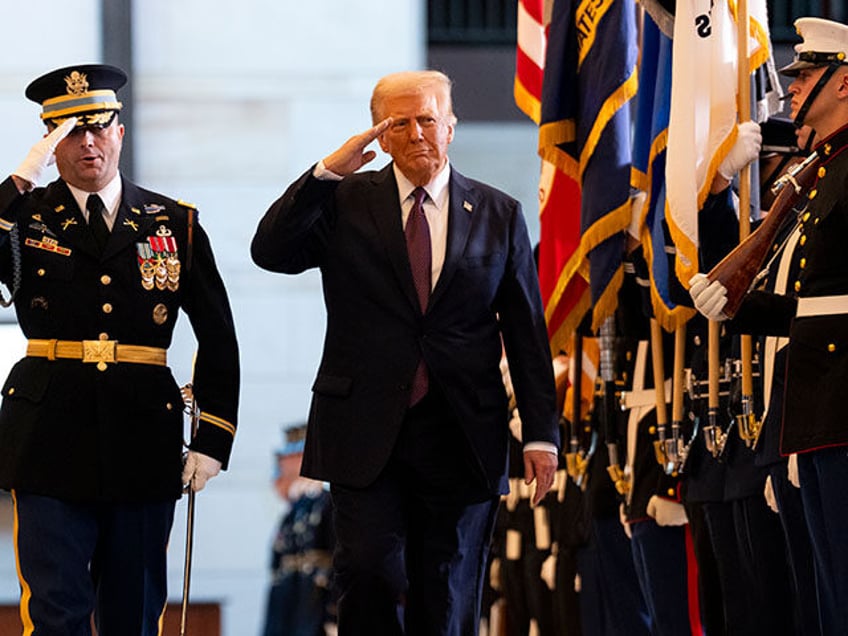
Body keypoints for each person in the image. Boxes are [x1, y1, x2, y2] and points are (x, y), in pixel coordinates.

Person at [251, 69, 560, 635]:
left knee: (447, 594)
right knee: (369, 575)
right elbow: (270, 250)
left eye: (427, 119)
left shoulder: (499, 214)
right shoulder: (344, 202)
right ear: (380, 134)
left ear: (451, 126)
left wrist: (540, 434)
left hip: (463, 433)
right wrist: (325, 173)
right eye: (400, 122)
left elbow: (526, 334)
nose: (417, 132)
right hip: (365, 431)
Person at [0, 64, 239, 634]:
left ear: (120, 133)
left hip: (142, 437)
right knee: (56, 613)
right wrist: (15, 185)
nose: (88, 142)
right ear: (50, 143)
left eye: (99, 127)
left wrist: (212, 439)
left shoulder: (172, 223)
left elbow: (219, 333)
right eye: (70, 132)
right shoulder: (22, 217)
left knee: (131, 613)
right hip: (47, 438)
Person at [690, 17, 848, 633]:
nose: (794, 87)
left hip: (838, 402)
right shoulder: (819, 171)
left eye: (807, 75)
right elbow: (813, 299)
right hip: (811, 407)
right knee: (825, 595)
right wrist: (740, 308)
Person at [263, 424, 336, 636]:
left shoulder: (326, 503)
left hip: (314, 609)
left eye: (286, 460)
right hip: (290, 609)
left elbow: (340, 561)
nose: (279, 470)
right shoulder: (294, 511)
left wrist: (334, 614)